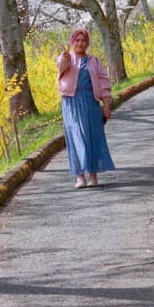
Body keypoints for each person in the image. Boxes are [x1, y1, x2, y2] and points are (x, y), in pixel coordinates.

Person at [57, 28, 115, 188]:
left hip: (91, 102)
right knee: (76, 137)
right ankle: (79, 176)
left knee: (92, 137)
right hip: (72, 103)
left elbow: (103, 81)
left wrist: (107, 103)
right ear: (72, 42)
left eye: (83, 40)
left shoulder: (94, 61)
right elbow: (61, 66)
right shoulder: (67, 58)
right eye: (77, 40)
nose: (80, 43)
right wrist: (64, 57)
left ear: (87, 43)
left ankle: (93, 175)